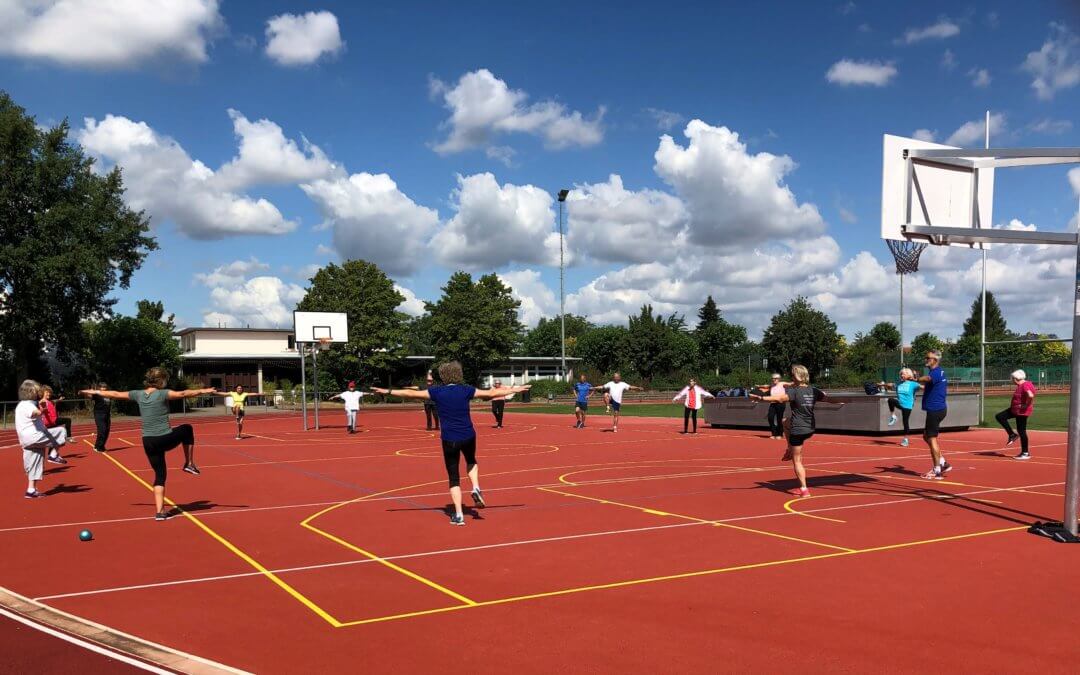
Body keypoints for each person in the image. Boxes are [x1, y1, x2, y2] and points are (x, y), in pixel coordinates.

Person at [371, 362, 530, 526]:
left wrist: (387, 391)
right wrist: (514, 389)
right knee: (471, 460)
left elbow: (410, 394)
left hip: (449, 439)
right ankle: (475, 487)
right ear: (459, 374)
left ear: (443, 376)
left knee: (453, 477)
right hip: (468, 435)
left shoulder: (437, 392)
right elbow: (491, 392)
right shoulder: (466, 390)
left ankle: (459, 515)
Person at [81, 368, 214, 521]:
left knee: (160, 475)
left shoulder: (138, 394)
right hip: (163, 437)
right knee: (187, 429)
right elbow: (183, 394)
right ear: (160, 381)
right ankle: (189, 463)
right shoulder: (163, 393)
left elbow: (115, 394)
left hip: (148, 441)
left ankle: (160, 512)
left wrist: (92, 391)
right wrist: (205, 390)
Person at [750, 365, 843, 498]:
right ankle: (789, 448)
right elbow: (829, 399)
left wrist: (760, 398)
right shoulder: (814, 390)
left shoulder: (794, 391)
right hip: (810, 428)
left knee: (797, 460)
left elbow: (779, 399)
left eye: (793, 375)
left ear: (798, 377)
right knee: (784, 422)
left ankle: (804, 489)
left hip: (798, 429)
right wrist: (843, 401)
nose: (791, 378)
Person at [15, 380, 67, 499]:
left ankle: (31, 490)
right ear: (30, 391)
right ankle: (53, 455)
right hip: (34, 436)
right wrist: (41, 411)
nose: (38, 392)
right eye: (36, 390)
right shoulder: (27, 404)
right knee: (61, 431)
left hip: (26, 441)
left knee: (36, 462)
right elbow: (33, 413)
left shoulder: (20, 406)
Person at [916, 350, 952, 480]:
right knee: (926, 436)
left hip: (935, 410)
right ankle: (942, 462)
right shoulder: (937, 371)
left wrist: (915, 378)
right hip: (938, 409)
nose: (926, 359)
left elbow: (927, 379)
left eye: (928, 358)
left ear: (935, 360)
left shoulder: (935, 372)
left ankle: (937, 470)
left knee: (932, 438)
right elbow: (929, 385)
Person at [997, 369, 1036, 460]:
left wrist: (1026, 404)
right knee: (1000, 416)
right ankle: (1012, 435)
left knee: (1022, 431)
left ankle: (1025, 453)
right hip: (1016, 410)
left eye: (1012, 378)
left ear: (1015, 378)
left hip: (1022, 412)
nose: (1012, 380)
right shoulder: (1022, 385)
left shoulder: (1025, 385)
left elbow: (1030, 395)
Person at [879, 368, 921, 447]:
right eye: (901, 374)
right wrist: (881, 385)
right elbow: (890, 385)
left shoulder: (912, 384)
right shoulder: (899, 383)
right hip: (900, 403)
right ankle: (893, 416)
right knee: (891, 400)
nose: (901, 375)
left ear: (908, 375)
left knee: (905, 422)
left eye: (903, 374)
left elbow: (921, 386)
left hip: (908, 405)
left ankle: (905, 439)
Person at [37, 385, 70, 465]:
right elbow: (40, 404)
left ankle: (51, 455)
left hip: (51, 422)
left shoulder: (50, 401)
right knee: (60, 436)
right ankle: (51, 456)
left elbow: (54, 401)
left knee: (55, 439)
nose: (49, 394)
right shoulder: (43, 402)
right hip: (48, 423)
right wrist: (40, 404)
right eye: (46, 392)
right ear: (42, 393)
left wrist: (59, 400)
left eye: (49, 392)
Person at [758, 373, 790, 440]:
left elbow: (791, 384)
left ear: (779, 379)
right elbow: (766, 386)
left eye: (775, 378)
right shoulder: (771, 385)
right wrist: (759, 386)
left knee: (779, 419)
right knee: (770, 418)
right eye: (772, 378)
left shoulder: (782, 384)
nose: (774, 380)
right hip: (773, 403)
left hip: (780, 403)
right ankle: (774, 433)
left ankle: (779, 434)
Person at [91, 382, 112, 453]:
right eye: (102, 387)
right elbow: (91, 395)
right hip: (99, 414)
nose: (103, 388)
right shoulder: (97, 394)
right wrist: (92, 390)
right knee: (102, 430)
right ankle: (98, 447)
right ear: (99, 388)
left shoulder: (108, 394)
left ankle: (101, 446)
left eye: (104, 387)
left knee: (107, 430)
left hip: (107, 415)